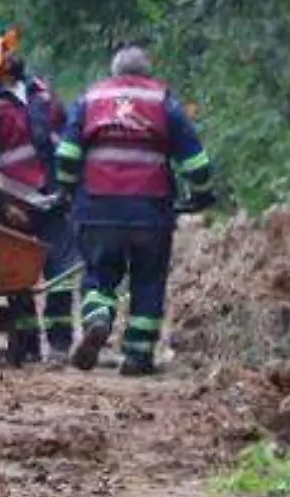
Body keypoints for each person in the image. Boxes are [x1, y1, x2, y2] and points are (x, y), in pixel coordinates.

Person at [55, 44, 215, 376]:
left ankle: (98, 318)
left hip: (97, 207)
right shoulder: (162, 101)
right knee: (147, 279)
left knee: (99, 274)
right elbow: (195, 161)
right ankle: (138, 356)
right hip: (150, 211)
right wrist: (200, 195)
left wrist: (68, 190)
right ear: (146, 73)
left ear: (115, 72)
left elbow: (68, 153)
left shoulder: (91, 99)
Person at [0, 31, 68, 364]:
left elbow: (66, 138)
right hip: (15, 203)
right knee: (16, 276)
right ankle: (26, 345)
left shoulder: (41, 91)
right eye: (2, 53)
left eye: (7, 50)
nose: (10, 55)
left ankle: (61, 345)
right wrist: (3, 203)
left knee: (60, 272)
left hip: (54, 197)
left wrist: (71, 186)